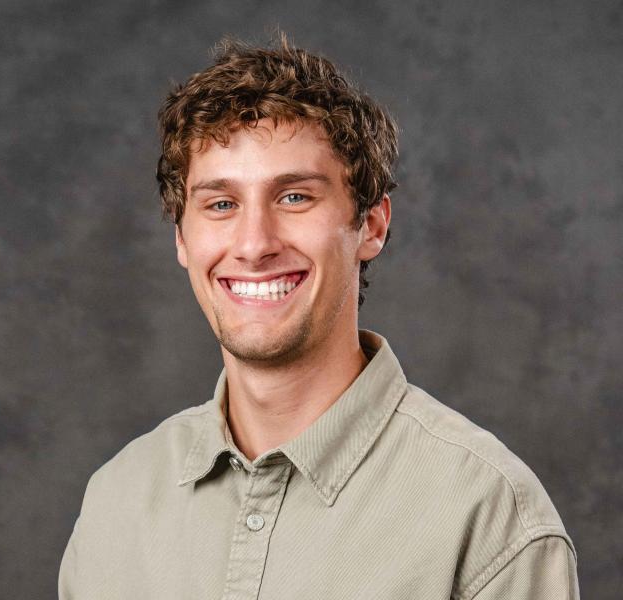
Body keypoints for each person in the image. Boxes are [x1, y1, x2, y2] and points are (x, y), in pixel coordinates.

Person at [59, 35, 579, 599]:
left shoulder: (490, 517)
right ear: (182, 238)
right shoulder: (116, 500)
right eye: (221, 204)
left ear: (372, 226)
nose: (254, 244)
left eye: (294, 197)